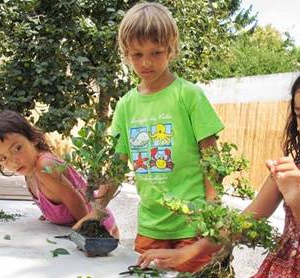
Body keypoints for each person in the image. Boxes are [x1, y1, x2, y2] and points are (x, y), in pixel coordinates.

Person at [137, 63, 300, 277]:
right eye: (299, 115)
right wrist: (186, 252)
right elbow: (244, 222)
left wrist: (299, 203)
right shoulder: (292, 170)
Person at [110, 2, 224, 273]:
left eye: (156, 52)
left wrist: (212, 207)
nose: (146, 62)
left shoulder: (189, 95)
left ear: (171, 49)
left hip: (193, 224)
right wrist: (99, 204)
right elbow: (117, 162)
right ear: (126, 54)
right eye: (137, 54)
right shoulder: (126, 105)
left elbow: (212, 156)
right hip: (151, 224)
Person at [0, 110, 119, 238]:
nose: (13, 161)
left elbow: (79, 205)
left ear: (32, 139)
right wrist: (51, 212)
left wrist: (86, 234)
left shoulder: (44, 166)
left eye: (17, 148)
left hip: (101, 230)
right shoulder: (28, 167)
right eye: (3, 158)